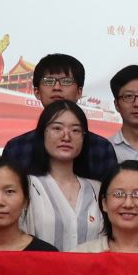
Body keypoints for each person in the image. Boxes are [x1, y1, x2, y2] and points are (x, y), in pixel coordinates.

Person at [1, 53, 120, 182]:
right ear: (37, 92)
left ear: (79, 92)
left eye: (66, 81)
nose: (57, 87)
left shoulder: (101, 148)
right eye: (48, 81)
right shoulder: (16, 148)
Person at [18, 100, 102, 249]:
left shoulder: (97, 189)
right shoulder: (26, 186)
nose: (66, 137)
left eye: (75, 130)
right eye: (57, 128)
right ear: (42, 133)